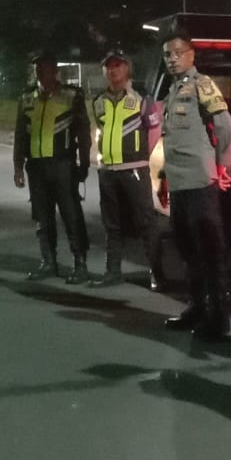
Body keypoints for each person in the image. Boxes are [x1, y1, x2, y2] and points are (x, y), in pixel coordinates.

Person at [157, 32, 231, 343]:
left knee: (209, 252)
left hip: (200, 182)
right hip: (178, 182)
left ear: (191, 55)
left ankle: (218, 319)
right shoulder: (173, 90)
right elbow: (172, 141)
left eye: (178, 52)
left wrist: (222, 164)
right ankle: (197, 308)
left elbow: (224, 123)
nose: (172, 59)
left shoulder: (202, 84)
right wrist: (164, 177)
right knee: (188, 250)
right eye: (167, 54)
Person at [87, 50, 166, 288]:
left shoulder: (142, 99)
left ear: (127, 69)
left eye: (118, 66)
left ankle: (157, 273)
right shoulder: (98, 101)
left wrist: (141, 156)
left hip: (134, 170)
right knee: (112, 224)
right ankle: (112, 272)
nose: (113, 70)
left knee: (146, 223)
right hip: (108, 171)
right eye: (109, 67)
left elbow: (154, 129)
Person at [14, 51, 92, 283]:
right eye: (38, 68)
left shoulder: (71, 96)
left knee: (72, 216)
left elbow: (83, 132)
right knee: (42, 217)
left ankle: (80, 264)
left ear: (55, 71)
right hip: (36, 167)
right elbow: (20, 135)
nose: (41, 72)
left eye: (46, 68)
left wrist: (84, 164)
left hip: (63, 166)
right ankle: (48, 262)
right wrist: (18, 166)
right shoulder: (26, 98)